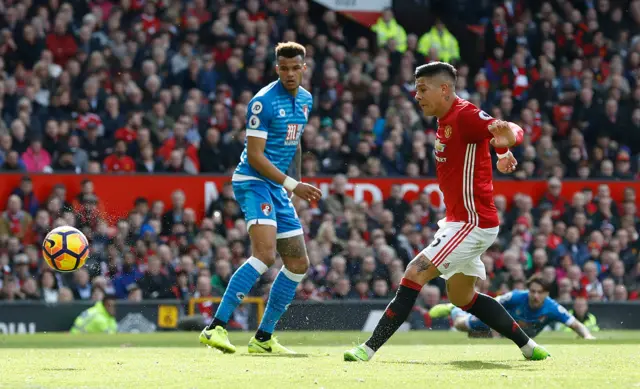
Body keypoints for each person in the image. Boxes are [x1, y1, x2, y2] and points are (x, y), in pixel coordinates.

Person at [344, 62, 550, 362]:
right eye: (416, 90)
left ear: (444, 89)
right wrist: (502, 152)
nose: (417, 96)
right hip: (460, 221)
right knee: (461, 297)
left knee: (415, 272)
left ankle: (369, 348)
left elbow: (509, 128)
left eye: (422, 89)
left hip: (472, 222)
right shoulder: (444, 119)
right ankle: (530, 348)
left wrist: (508, 142)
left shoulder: (465, 115)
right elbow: (492, 139)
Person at [199, 42, 322, 354]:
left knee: (297, 263)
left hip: (277, 187)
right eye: (284, 68)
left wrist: (293, 183)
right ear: (276, 67)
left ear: (304, 68)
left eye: (296, 68)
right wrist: (293, 184)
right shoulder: (263, 102)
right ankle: (216, 327)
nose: (290, 73)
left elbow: (294, 143)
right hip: (253, 181)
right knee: (265, 255)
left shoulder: (306, 100)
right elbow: (254, 156)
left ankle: (263, 338)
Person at [430, 274, 597, 339]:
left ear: (546, 294)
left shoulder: (552, 307)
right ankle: (455, 309)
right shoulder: (517, 296)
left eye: (540, 292)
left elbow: (575, 324)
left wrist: (588, 338)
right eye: (533, 291)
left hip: (514, 333)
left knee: (486, 338)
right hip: (494, 322)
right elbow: (493, 303)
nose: (535, 296)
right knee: (461, 326)